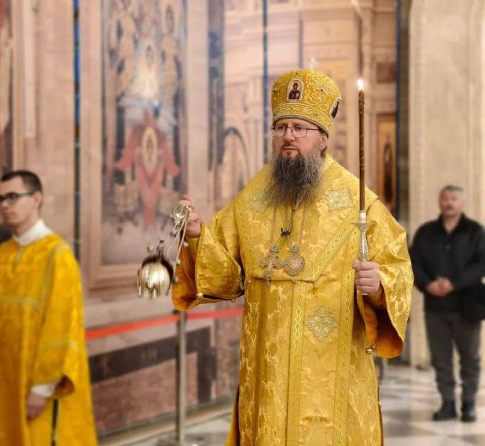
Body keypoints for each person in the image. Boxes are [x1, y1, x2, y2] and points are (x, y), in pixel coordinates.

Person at [172, 69, 413, 445]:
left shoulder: (357, 200)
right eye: (281, 127)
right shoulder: (253, 197)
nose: (288, 136)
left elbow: (397, 266)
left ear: (322, 138)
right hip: (266, 381)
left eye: (300, 128)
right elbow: (225, 273)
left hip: (332, 378)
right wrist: (197, 235)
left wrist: (380, 284)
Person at [0, 170, 97, 445]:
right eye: (1, 199)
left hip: (37, 387)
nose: (5, 205)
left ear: (36, 199)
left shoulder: (58, 256)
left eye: (13, 197)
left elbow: (60, 326)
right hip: (2, 381)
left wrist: (42, 388)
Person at [410, 185, 485, 422]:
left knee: (470, 359)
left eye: (454, 199)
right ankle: (448, 403)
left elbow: (481, 264)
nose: (449, 203)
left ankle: (469, 404)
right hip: (435, 307)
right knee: (440, 360)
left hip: (467, 307)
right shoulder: (425, 233)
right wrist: (428, 284)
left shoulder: (475, 232)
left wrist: (454, 283)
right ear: (439, 202)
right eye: (445, 198)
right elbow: (413, 263)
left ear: (462, 203)